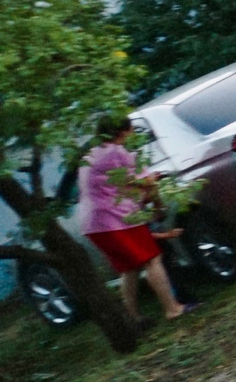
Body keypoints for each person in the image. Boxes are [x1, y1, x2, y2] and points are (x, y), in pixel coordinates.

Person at [78, 117, 194, 322]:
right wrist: (156, 192)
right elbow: (145, 182)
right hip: (117, 218)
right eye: (131, 130)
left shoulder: (89, 156)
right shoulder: (117, 152)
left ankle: (133, 318)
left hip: (92, 224)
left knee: (129, 268)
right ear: (123, 132)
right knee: (152, 259)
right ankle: (172, 308)